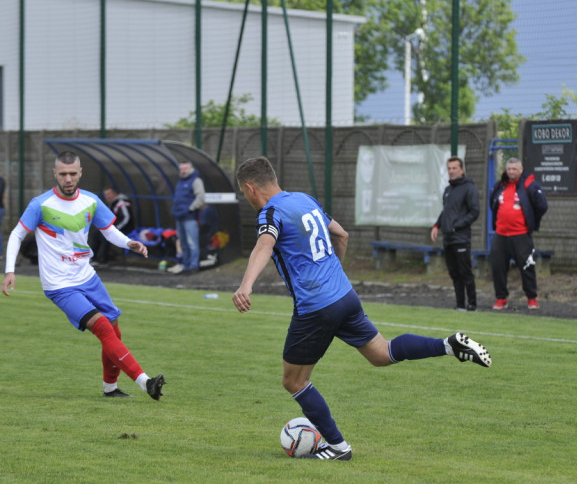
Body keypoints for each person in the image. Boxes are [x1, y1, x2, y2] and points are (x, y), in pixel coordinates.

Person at [232, 156, 491, 461]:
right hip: (344, 295)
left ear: (250, 188)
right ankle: (448, 345)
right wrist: (332, 272)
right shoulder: (305, 199)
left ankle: (339, 447)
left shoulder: (270, 211)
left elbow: (264, 245)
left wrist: (245, 285)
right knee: (382, 354)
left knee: (294, 381)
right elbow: (341, 234)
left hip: (315, 305)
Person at [0, 151, 165, 400]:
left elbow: (109, 231)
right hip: (59, 285)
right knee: (102, 328)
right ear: (55, 173)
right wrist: (9, 270)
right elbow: (17, 234)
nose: (68, 178)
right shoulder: (40, 204)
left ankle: (110, 389)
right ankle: (146, 383)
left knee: (114, 331)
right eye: (63, 173)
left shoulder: (91, 201)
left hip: (87, 277)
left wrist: (129, 242)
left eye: (72, 173)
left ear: (80, 173)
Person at [487, 158, 548, 310]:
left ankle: (532, 299)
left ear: (521, 170)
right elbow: (492, 203)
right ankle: (501, 299)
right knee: (498, 267)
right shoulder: (499, 186)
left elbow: (542, 205)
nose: (511, 172)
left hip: (521, 234)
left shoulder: (529, 185)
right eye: (509, 169)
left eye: (514, 169)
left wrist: (532, 220)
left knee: (527, 267)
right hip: (500, 234)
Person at [431, 157, 480, 311]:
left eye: (454, 168)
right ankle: (460, 305)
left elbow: (474, 212)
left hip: (461, 237)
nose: (451, 171)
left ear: (462, 170)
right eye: (449, 168)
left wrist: (456, 226)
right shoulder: (448, 190)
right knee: (454, 273)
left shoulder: (469, 188)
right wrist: (437, 225)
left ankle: (472, 305)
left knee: (465, 272)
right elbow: (446, 211)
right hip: (448, 238)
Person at [168, 161, 206, 275]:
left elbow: (201, 197)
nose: (183, 171)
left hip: (190, 217)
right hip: (179, 217)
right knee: (183, 243)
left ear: (191, 168)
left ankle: (193, 266)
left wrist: (190, 209)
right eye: (181, 169)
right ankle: (186, 265)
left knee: (192, 243)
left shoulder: (196, 180)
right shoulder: (180, 181)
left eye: (185, 168)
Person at [89, 187, 135, 266]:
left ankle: (104, 259)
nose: (108, 196)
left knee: (105, 235)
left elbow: (127, 217)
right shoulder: (113, 203)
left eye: (109, 194)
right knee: (96, 234)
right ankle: (93, 258)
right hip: (116, 228)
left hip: (126, 229)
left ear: (115, 193)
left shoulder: (121, 202)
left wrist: (116, 228)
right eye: (106, 195)